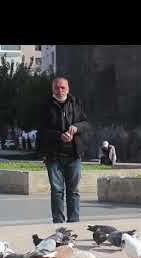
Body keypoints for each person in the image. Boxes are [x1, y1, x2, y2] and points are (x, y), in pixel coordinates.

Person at [38, 77, 90, 223]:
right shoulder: (45, 106)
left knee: (73, 191)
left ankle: (74, 221)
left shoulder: (76, 103)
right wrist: (59, 136)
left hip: (74, 155)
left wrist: (77, 127)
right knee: (57, 191)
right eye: (57, 87)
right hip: (53, 156)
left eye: (63, 87)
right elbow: (42, 131)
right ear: (52, 89)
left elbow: (86, 123)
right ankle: (58, 223)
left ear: (68, 88)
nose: (60, 90)